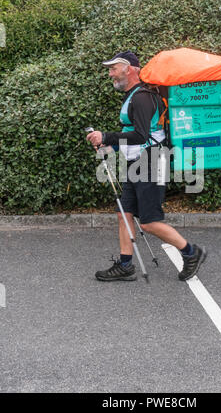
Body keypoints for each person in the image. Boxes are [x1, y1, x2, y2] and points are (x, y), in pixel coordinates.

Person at [86, 50, 207, 282]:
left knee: (150, 222)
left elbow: (141, 136)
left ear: (129, 69)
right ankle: (125, 265)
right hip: (138, 161)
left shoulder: (142, 97)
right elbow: (135, 133)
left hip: (151, 161)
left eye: (114, 68)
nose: (110, 73)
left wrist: (106, 136)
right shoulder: (134, 95)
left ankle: (192, 252)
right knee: (125, 213)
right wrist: (110, 147)